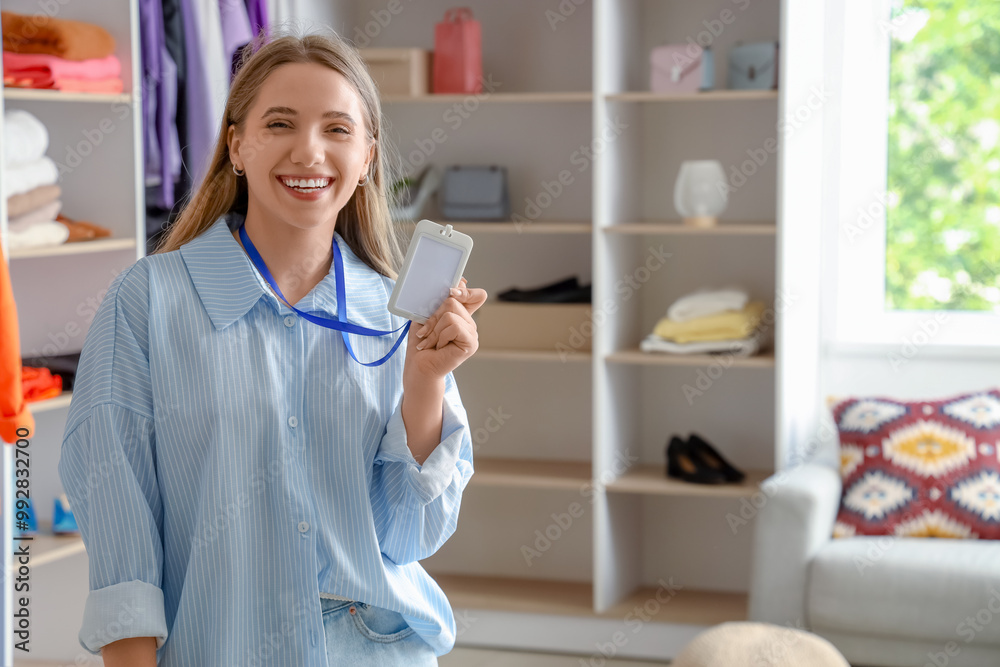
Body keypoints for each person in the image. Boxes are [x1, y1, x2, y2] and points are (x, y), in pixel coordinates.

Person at [57, 29, 486, 667]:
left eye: (337, 130)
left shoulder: (401, 314)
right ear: (237, 145)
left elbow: (410, 533)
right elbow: (120, 525)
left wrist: (423, 383)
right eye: (280, 123)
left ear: (367, 156)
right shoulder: (147, 303)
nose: (308, 152)